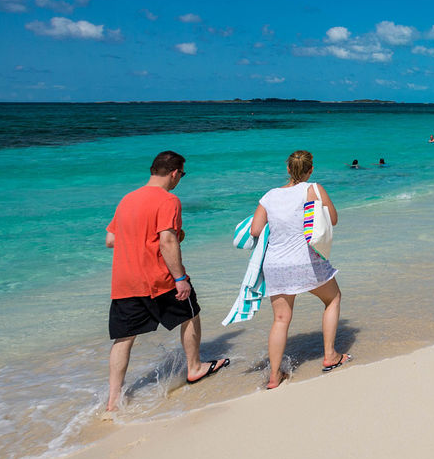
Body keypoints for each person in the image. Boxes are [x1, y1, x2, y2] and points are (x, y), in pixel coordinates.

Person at [105, 150, 228, 412]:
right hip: (158, 279)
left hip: (125, 281)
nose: (180, 179)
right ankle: (194, 368)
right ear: (174, 173)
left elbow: (111, 240)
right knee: (191, 314)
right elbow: (167, 240)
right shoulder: (168, 199)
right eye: (181, 174)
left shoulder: (127, 199)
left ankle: (113, 400)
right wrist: (180, 278)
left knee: (124, 338)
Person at [249, 150, 347, 389]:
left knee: (281, 319)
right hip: (306, 262)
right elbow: (332, 219)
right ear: (310, 170)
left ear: (288, 169)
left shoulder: (270, 196)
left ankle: (274, 376)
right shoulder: (312, 189)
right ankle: (330, 355)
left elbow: (255, 230)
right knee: (333, 299)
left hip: (276, 264)